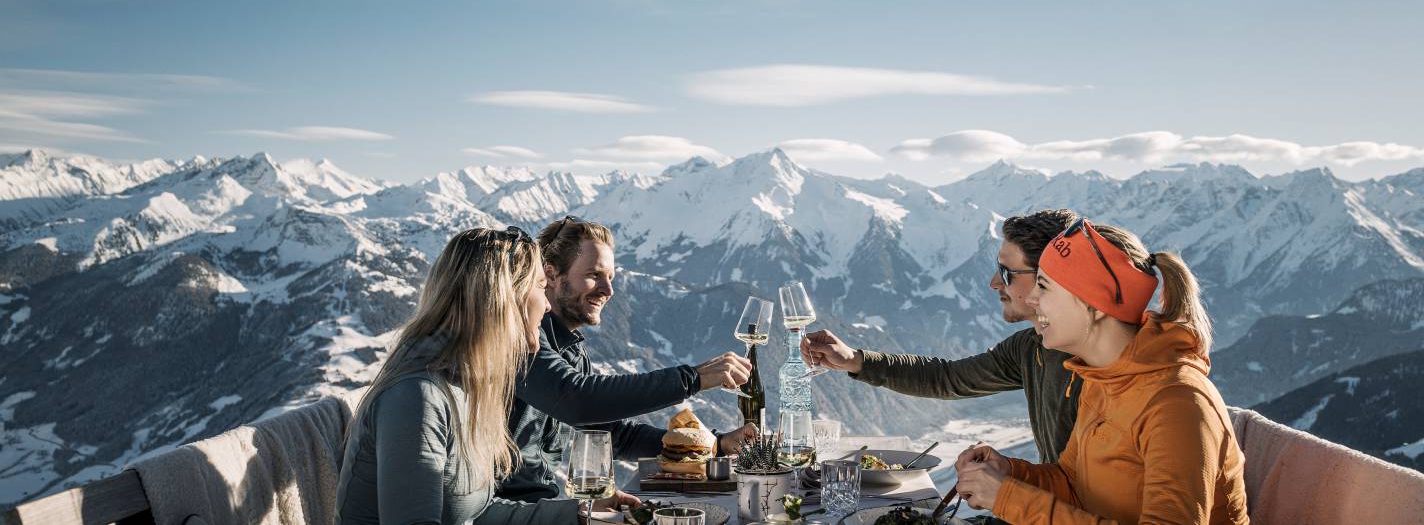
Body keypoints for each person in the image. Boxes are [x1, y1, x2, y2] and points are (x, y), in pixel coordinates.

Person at [954, 218, 1249, 525]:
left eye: (1044, 286)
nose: (1031, 299)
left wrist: (1009, 498)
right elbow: (1073, 484)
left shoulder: (1176, 403)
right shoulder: (1104, 378)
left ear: (1094, 305)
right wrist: (1010, 473)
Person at [336, 227, 601, 525]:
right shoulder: (418, 397)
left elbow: (478, 512)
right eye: (541, 287)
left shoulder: (468, 385)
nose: (548, 304)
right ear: (505, 300)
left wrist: (578, 514)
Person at [499, 216, 756, 502]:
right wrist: (692, 379)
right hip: (504, 510)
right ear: (551, 275)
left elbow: (615, 436)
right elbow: (577, 400)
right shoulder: (520, 338)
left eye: (611, 277)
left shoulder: (571, 351)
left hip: (542, 506)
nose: (608, 291)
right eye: (594, 275)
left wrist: (714, 445)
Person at [802, 209, 1083, 463]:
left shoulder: (1094, 363)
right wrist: (854, 360)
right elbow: (947, 377)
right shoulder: (1028, 348)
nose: (994, 282)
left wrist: (1010, 483)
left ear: (1049, 276)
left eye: (1006, 273)